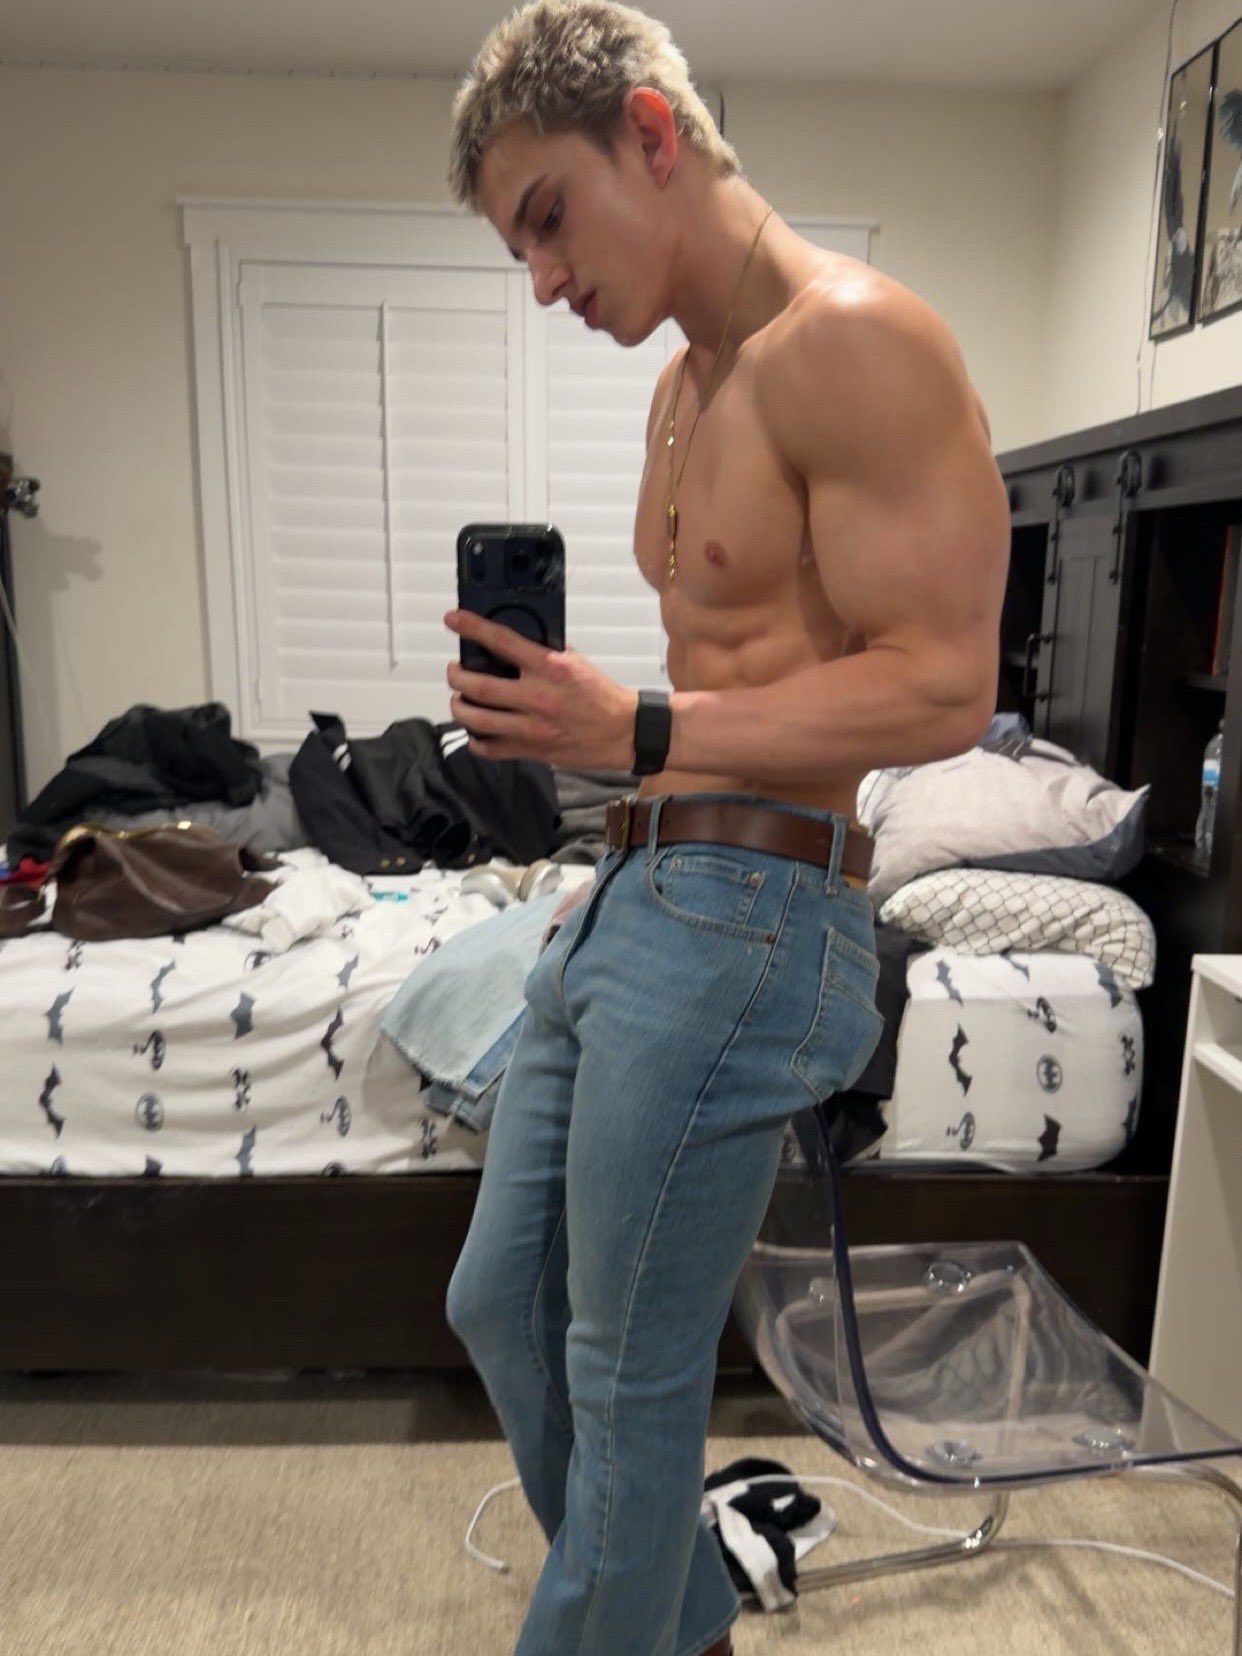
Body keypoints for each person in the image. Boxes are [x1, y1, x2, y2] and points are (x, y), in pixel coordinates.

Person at [441, 4, 1011, 1653]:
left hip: (754, 912)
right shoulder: (681, 392)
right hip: (636, 892)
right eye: (517, 249)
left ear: (649, 133)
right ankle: (678, 1614)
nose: (542, 278)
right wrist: (615, 800)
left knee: (626, 1372)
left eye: (549, 217)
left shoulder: (858, 339)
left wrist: (644, 732)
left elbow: (941, 688)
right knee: (498, 1301)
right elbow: (717, 679)